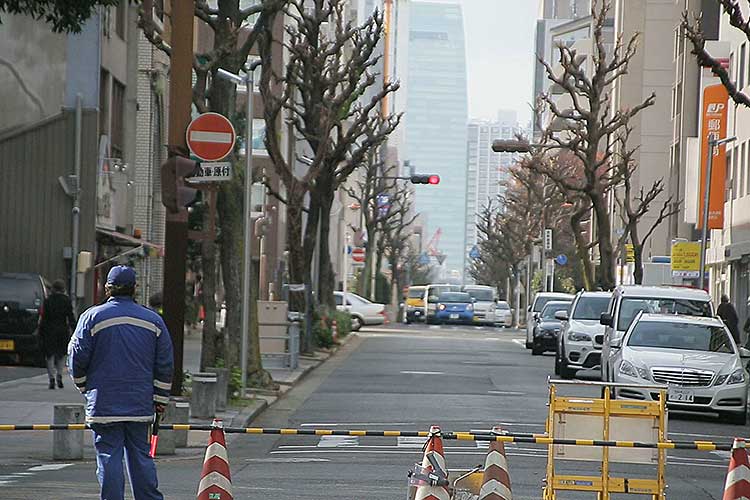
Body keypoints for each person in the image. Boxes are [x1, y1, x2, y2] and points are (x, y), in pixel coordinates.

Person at [68, 266, 173, 500]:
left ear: (107, 288)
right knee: (140, 456)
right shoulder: (153, 321)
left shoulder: (92, 317)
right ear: (135, 288)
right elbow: (165, 363)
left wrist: (85, 387)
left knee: (109, 455)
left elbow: (76, 357)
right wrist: (160, 399)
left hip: (104, 402)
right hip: (139, 402)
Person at [39, 279, 76, 390]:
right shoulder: (66, 300)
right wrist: (75, 329)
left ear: (53, 289)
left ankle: (51, 378)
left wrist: (40, 331)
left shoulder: (48, 301)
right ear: (63, 289)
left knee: (49, 355)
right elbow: (70, 317)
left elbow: (44, 318)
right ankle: (59, 374)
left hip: (49, 330)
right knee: (62, 354)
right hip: (62, 330)